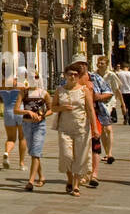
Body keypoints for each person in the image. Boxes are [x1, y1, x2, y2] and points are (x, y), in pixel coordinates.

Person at [55, 64, 96, 196]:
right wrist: (62, 108)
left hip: (81, 127)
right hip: (64, 128)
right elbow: (53, 107)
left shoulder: (84, 90)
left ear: (79, 76)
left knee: (80, 156)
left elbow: (90, 110)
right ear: (65, 75)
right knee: (66, 155)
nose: (72, 76)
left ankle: (76, 185)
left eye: (75, 74)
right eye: (70, 74)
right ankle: (70, 178)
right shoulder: (59, 90)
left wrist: (95, 128)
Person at [16, 73, 51, 190]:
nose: (32, 80)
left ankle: (30, 181)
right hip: (27, 124)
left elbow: (51, 109)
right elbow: (16, 110)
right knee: (33, 152)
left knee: (35, 152)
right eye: (30, 78)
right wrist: (27, 112)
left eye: (35, 78)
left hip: (39, 125)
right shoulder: (23, 92)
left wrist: (42, 116)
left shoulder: (43, 93)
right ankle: (41, 176)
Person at [0, 69, 24, 170]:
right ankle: (21, 163)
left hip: (8, 112)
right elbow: (26, 96)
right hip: (20, 111)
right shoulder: (20, 84)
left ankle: (7, 153)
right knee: (22, 138)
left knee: (11, 138)